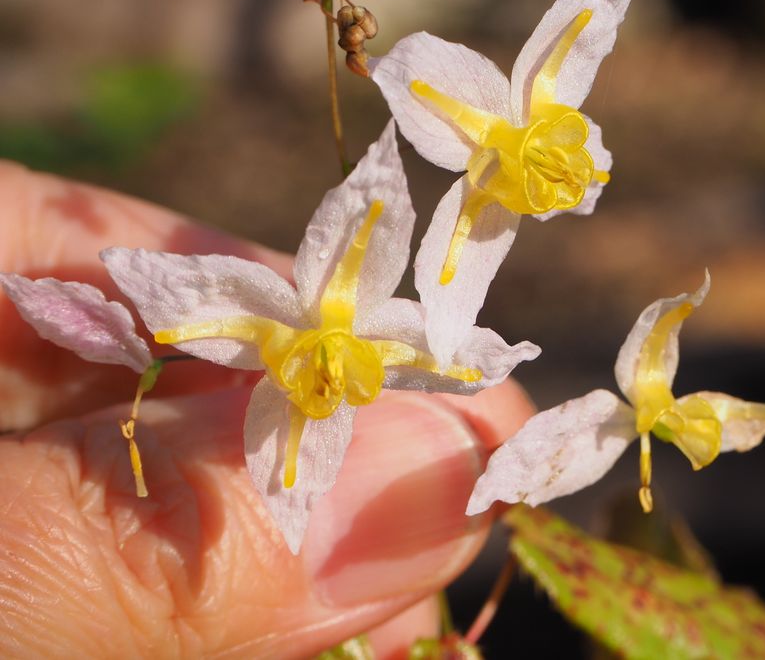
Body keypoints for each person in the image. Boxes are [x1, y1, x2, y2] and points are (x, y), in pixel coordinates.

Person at [0, 159, 533, 658]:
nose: (328, 381)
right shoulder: (251, 337)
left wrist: (489, 361)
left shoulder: (381, 347)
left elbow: (464, 363)